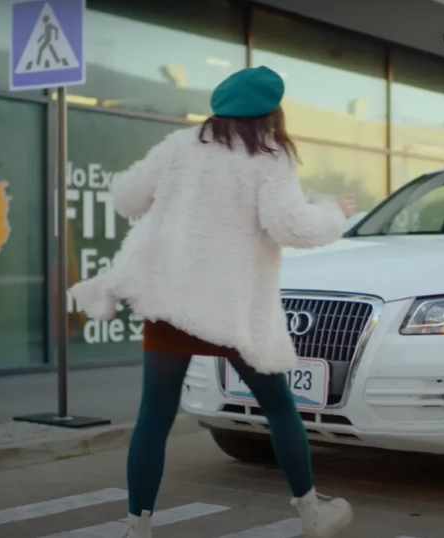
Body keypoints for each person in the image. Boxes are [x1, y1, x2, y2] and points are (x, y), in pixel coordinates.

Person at [69, 66, 358, 538]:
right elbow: (291, 226)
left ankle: (137, 527)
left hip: (171, 300)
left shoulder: (180, 146)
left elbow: (126, 196)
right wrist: (332, 212)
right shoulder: (270, 156)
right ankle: (312, 514)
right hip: (231, 310)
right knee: (278, 407)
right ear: (272, 112)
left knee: (155, 414)